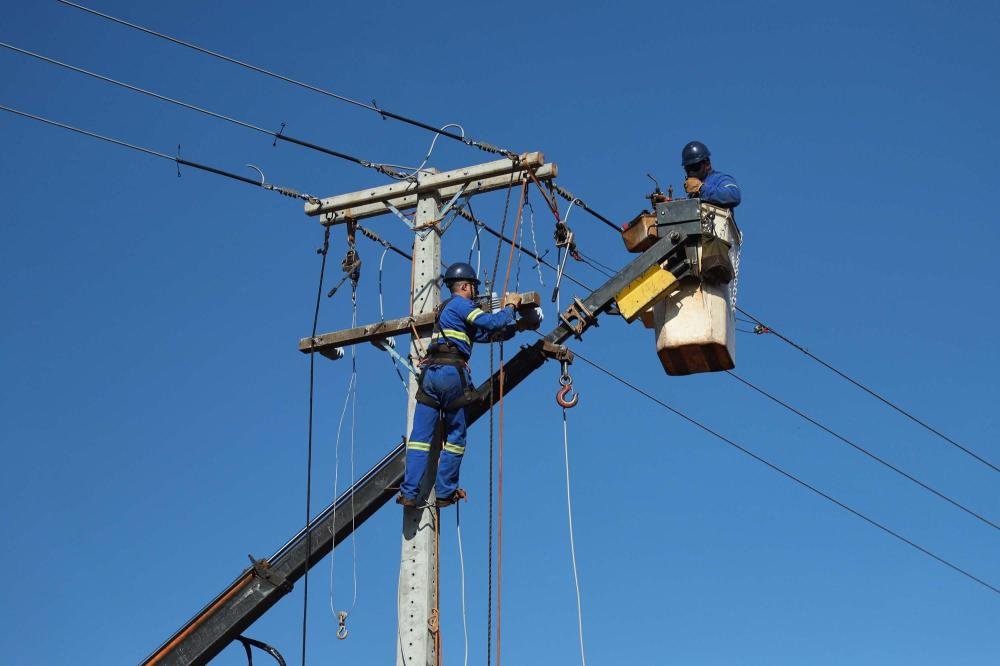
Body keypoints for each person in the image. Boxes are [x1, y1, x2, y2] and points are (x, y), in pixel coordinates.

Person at [398, 262, 526, 508]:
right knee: (456, 436)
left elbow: (484, 335)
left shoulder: (447, 311)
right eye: (473, 288)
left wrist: (516, 327)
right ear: (465, 286)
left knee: (419, 438)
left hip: (431, 376)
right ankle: (445, 492)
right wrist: (510, 305)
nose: (475, 293)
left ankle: (409, 492)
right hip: (450, 375)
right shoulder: (461, 304)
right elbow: (491, 323)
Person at [680, 141, 741, 208]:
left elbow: (734, 195)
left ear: (707, 164)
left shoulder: (719, 179)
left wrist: (701, 188)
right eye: (688, 169)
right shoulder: (692, 193)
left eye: (695, 167)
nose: (691, 173)